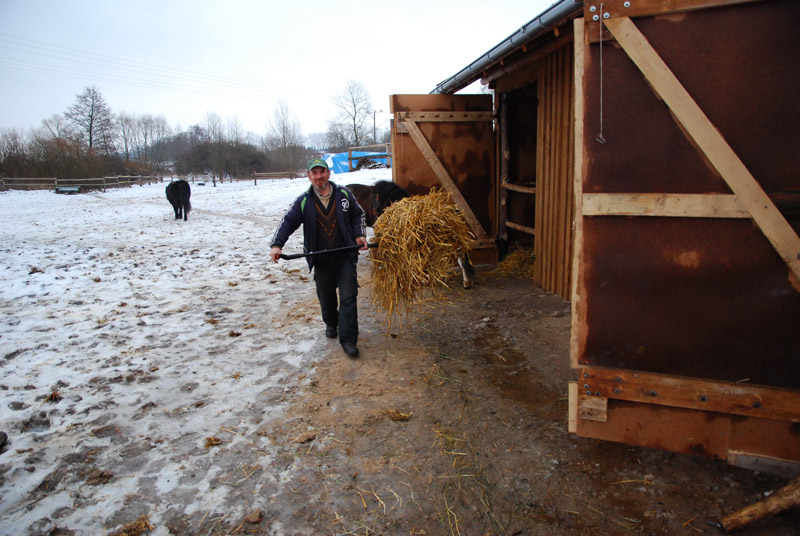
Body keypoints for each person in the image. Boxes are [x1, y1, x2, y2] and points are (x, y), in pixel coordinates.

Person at [269, 158, 368, 357]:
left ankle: (348, 339)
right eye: (314, 173)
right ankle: (331, 323)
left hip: (345, 257)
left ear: (328, 173)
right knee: (326, 296)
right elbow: (288, 221)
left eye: (322, 172)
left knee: (349, 297)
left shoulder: (344, 195)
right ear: (309, 176)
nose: (319, 176)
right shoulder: (304, 201)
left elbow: (359, 215)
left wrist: (359, 235)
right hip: (320, 259)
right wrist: (277, 245)